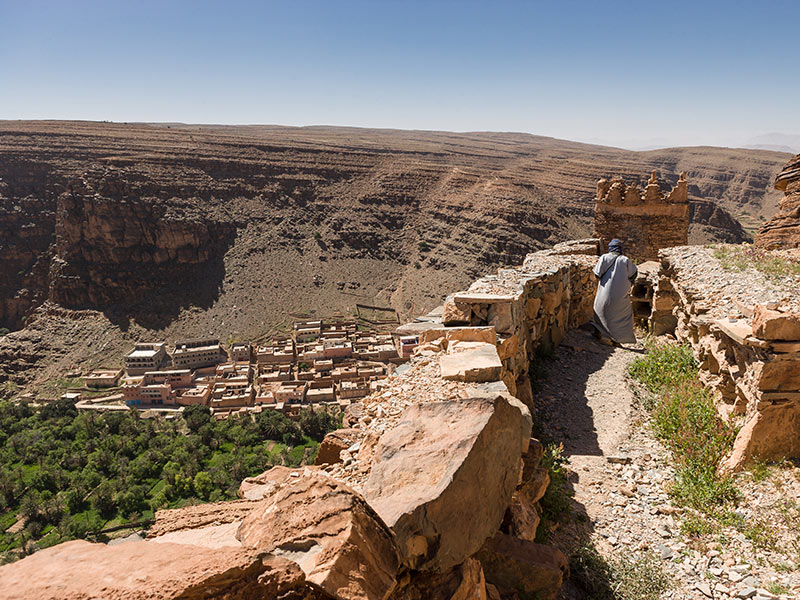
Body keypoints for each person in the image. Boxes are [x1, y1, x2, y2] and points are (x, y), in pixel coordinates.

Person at [592, 238, 637, 345]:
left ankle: (602, 335)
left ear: (610, 249)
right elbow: (634, 274)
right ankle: (619, 339)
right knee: (622, 317)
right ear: (620, 249)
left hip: (604, 295)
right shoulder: (625, 260)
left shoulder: (604, 258)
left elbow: (597, 274)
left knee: (601, 313)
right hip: (620, 296)